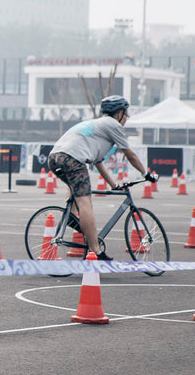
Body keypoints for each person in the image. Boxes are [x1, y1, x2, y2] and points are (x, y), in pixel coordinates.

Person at [47, 95, 156, 261]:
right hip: (72, 158)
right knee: (86, 202)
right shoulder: (112, 124)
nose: (127, 118)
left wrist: (113, 184)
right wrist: (145, 174)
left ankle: (73, 218)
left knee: (77, 192)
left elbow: (98, 162)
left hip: (55, 158)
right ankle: (96, 251)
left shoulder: (98, 126)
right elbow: (130, 154)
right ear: (119, 113)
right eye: (127, 114)